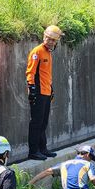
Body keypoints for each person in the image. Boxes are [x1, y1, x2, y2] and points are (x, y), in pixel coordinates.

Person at [26, 25, 63, 160]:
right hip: (39, 92)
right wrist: (32, 89)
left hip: (46, 92)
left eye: (53, 40)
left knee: (43, 122)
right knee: (36, 122)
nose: (50, 42)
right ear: (44, 37)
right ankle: (33, 151)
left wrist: (51, 88)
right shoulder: (37, 52)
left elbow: (46, 74)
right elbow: (30, 72)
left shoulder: (48, 53)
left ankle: (43, 148)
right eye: (48, 39)